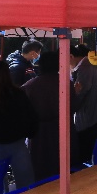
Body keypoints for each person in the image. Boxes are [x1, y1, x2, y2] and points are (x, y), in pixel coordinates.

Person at [22, 50, 64, 180]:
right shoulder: (66, 83)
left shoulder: (30, 86)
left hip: (39, 134)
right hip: (63, 130)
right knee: (62, 166)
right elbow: (74, 106)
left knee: (40, 170)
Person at [71, 43, 97, 164]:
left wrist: (72, 99)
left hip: (88, 116)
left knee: (84, 150)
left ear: (71, 56)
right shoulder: (91, 65)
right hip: (95, 113)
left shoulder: (84, 68)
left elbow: (81, 92)